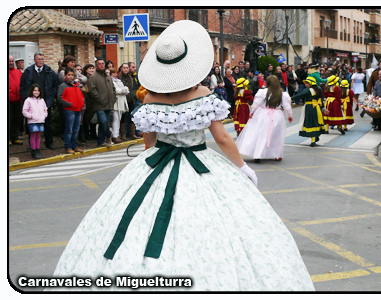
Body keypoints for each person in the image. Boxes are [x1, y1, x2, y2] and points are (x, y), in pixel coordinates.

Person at [48, 20, 315, 292]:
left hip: (156, 163)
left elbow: (149, 142)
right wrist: (242, 166)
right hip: (201, 164)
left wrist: (148, 170)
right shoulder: (203, 94)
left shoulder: (151, 99)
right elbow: (222, 138)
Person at [236, 75, 293, 159]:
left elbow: (256, 103)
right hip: (277, 115)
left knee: (260, 134)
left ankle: (257, 155)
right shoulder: (282, 94)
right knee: (276, 136)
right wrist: (289, 115)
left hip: (262, 114)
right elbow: (287, 106)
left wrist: (252, 111)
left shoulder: (262, 92)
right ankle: (277, 155)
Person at [19, 51, 60, 150]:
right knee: (31, 124)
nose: (41, 61)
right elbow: (22, 86)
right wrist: (25, 98)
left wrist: (52, 95)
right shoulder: (28, 72)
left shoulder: (49, 71)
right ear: (34, 60)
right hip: (31, 103)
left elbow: (57, 84)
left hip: (45, 102)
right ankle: (31, 144)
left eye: (42, 59)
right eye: (39, 59)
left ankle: (49, 142)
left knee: (47, 123)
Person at [87, 58, 116, 147]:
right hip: (99, 105)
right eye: (99, 64)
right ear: (96, 66)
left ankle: (100, 141)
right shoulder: (93, 77)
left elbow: (113, 88)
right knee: (103, 122)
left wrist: (113, 97)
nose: (102, 65)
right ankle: (109, 135)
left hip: (109, 104)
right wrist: (99, 99)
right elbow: (92, 90)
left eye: (103, 63)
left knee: (103, 124)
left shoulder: (108, 76)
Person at [291, 76, 327, 146]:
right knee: (316, 122)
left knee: (310, 123)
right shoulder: (319, 89)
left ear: (310, 83)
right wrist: (323, 108)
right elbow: (321, 99)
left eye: (307, 83)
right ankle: (315, 137)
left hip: (309, 108)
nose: (305, 84)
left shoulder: (307, 90)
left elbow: (300, 95)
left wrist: (291, 98)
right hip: (317, 108)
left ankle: (313, 140)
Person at [57, 68, 85, 154]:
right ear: (65, 75)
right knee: (69, 129)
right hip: (69, 110)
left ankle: (74, 146)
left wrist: (82, 103)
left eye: (72, 75)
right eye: (68, 75)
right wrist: (69, 104)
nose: (70, 76)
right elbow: (60, 98)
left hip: (78, 109)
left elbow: (81, 96)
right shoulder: (63, 86)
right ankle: (68, 147)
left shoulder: (76, 85)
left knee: (76, 129)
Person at [22, 84, 47, 159]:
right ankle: (33, 151)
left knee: (38, 136)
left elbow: (45, 109)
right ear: (32, 91)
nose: (37, 92)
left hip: (40, 120)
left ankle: (38, 150)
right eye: (35, 90)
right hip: (33, 121)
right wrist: (31, 116)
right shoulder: (28, 100)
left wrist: (44, 115)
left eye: (38, 90)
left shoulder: (42, 100)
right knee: (33, 136)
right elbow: (24, 111)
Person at [118, 63, 137, 140]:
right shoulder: (119, 77)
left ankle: (132, 133)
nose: (126, 69)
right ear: (121, 69)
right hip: (123, 100)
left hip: (131, 99)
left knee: (132, 116)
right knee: (123, 117)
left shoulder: (130, 77)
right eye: (124, 68)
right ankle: (123, 134)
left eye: (127, 68)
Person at [110, 68, 129, 144]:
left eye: (116, 72)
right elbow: (115, 90)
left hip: (121, 102)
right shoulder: (111, 81)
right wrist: (123, 90)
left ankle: (116, 134)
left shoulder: (118, 80)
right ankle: (115, 135)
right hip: (116, 102)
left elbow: (126, 89)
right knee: (116, 119)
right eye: (114, 73)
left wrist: (124, 90)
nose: (116, 74)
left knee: (119, 118)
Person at [9, 54, 24, 146]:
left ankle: (14, 138)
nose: (10, 63)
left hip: (18, 100)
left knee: (16, 119)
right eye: (9, 61)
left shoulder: (18, 72)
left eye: (11, 61)